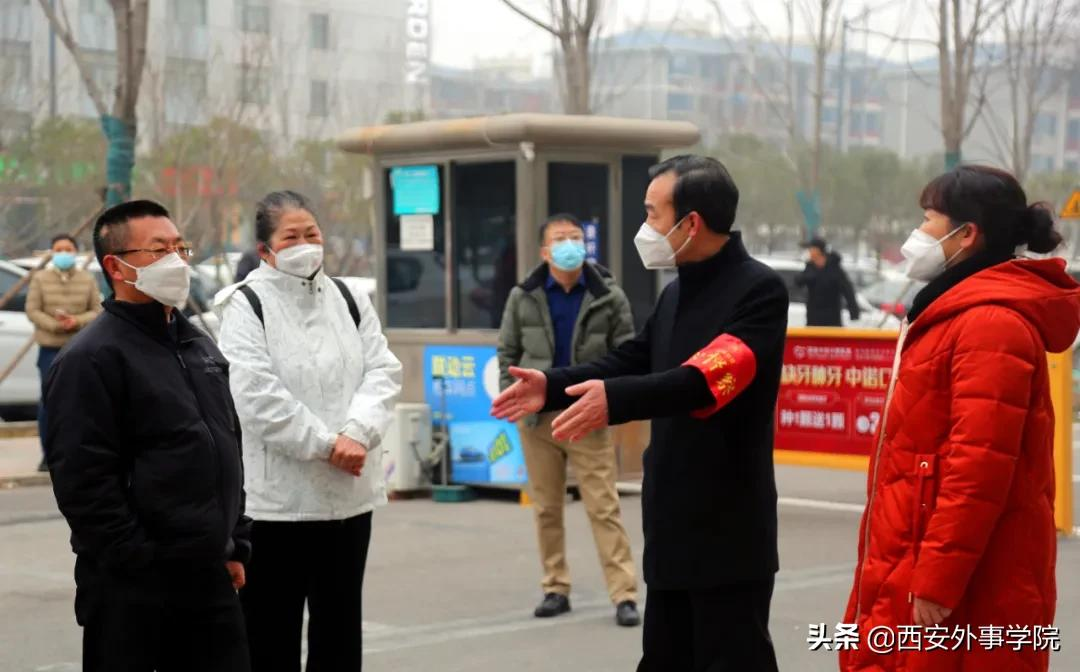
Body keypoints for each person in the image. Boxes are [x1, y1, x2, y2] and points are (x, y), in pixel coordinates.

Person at [492, 155, 788, 670]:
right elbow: (633, 356)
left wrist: (617, 401)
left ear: (690, 223)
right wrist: (554, 384)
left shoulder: (758, 291)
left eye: (652, 214)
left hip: (728, 531)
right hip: (671, 523)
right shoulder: (675, 292)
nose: (645, 228)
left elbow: (703, 380)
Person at [841, 165, 1080, 672]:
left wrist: (937, 581)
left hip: (964, 580)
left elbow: (978, 472)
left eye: (928, 219)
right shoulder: (952, 312)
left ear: (967, 234)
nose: (916, 234)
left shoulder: (990, 324)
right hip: (915, 556)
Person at [43, 200, 252, 672]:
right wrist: (141, 561)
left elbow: (226, 445)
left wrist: (235, 542)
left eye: (181, 247)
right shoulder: (91, 359)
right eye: (159, 250)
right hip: (134, 588)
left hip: (209, 577)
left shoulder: (198, 344)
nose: (177, 261)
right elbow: (84, 483)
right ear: (116, 266)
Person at [215, 190, 402, 672]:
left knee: (339, 631)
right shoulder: (245, 305)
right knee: (269, 633)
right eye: (291, 236)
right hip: (276, 508)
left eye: (312, 234)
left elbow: (382, 370)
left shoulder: (350, 297)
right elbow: (255, 394)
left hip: (348, 498)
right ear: (265, 250)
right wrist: (326, 445)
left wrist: (358, 432)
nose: (305, 244)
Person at [497, 213, 641, 627]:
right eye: (560, 238)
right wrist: (520, 398)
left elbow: (627, 352)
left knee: (603, 506)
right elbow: (507, 353)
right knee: (546, 508)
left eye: (575, 237)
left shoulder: (608, 296)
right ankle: (555, 587)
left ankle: (624, 593)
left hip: (587, 415)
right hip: (538, 421)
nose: (569, 244)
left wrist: (608, 399)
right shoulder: (522, 296)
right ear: (545, 251)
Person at [25, 234, 102, 471]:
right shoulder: (40, 279)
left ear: (75, 252)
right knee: (49, 403)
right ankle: (48, 455)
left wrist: (75, 322)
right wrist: (56, 325)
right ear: (51, 252)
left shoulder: (87, 279)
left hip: (79, 348)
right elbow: (32, 310)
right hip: (49, 349)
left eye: (68, 249)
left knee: (81, 402)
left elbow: (97, 309)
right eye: (59, 249)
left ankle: (79, 453)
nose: (64, 253)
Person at [796, 236, 861, 327]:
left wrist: (854, 312)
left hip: (832, 317)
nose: (809, 251)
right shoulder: (810, 267)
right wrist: (810, 274)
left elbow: (847, 290)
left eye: (811, 249)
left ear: (818, 250)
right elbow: (798, 282)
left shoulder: (834, 268)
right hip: (813, 317)